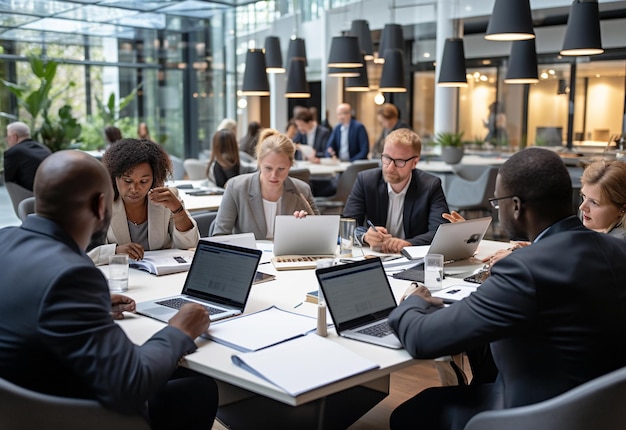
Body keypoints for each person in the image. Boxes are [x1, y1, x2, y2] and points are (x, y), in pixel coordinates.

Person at [388, 147, 626, 430]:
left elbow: (422, 339)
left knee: (411, 414)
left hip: (536, 415)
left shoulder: (524, 269)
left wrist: (412, 302)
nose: (498, 211)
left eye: (498, 202)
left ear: (516, 205)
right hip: (605, 410)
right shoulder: (619, 250)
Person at [0, 150, 218, 429]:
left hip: (20, 399)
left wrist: (88, 308)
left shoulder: (5, 241)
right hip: (74, 415)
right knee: (198, 389)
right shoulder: (74, 274)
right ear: (102, 205)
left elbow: (27, 305)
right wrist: (180, 329)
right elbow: (132, 383)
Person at [88, 138, 199, 264]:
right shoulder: (102, 203)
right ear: (114, 177)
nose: (135, 189)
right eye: (128, 181)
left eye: (144, 181)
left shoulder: (166, 199)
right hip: (120, 277)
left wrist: (178, 210)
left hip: (161, 278)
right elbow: (82, 254)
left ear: (154, 178)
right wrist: (115, 252)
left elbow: (189, 245)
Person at [343, 128, 449, 253]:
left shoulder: (430, 186)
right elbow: (346, 225)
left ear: (415, 162)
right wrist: (365, 236)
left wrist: (409, 243)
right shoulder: (366, 181)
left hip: (412, 261)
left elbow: (440, 232)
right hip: (374, 257)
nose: (390, 167)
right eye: (387, 158)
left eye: (399, 161)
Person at [212, 128, 319, 239]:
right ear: (259, 162)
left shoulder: (302, 190)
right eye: (268, 168)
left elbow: (320, 235)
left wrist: (308, 226)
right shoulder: (236, 187)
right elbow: (220, 235)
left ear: (290, 165)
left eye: (281, 169)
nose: (274, 175)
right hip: (250, 255)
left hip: (288, 255)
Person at [579, 159, 626, 239]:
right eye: (584, 196)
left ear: (622, 209)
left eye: (594, 202)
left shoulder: (615, 245)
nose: (582, 207)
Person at [3, 121, 51, 191]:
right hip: (52, 192)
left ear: (14, 137)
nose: (7, 140)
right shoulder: (45, 149)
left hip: (31, 196)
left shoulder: (13, 152)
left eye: (8, 137)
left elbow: (8, 180)